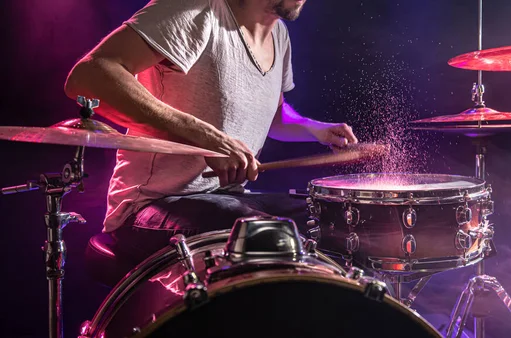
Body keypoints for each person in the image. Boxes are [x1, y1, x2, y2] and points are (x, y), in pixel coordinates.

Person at [64, 0, 358, 265]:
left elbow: (274, 115)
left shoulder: (278, 35)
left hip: (228, 197)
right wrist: (205, 137)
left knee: (332, 221)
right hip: (151, 206)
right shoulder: (197, 8)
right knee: (266, 235)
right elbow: (90, 75)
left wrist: (317, 130)